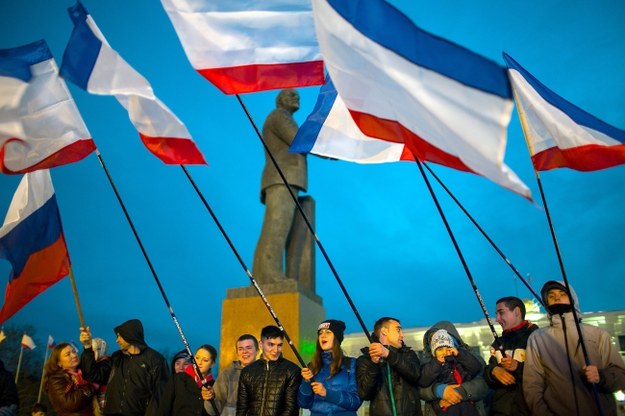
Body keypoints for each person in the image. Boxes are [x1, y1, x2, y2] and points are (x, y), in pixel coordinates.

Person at [523, 280, 625, 416]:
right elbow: (532, 385)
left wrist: (601, 377)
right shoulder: (537, 338)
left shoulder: (597, 334)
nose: (557, 298)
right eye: (551, 296)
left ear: (573, 298)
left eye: (562, 294)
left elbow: (621, 376)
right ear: (546, 302)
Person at [252, 88, 307, 284]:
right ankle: (268, 275)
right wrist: (328, 147)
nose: (296, 97)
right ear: (279, 101)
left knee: (278, 227)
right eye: (290, 94)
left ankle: (265, 274)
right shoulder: (279, 116)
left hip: (285, 178)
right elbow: (299, 140)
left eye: (297, 95)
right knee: (277, 227)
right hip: (281, 177)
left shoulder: (285, 117)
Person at [79, 319, 169, 416]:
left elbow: (160, 395)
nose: (117, 340)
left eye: (119, 336)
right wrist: (88, 347)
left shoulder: (155, 359)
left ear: (130, 335)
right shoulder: (116, 357)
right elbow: (92, 375)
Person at [420, 321, 489, 416]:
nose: (444, 352)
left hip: (469, 407)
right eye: (439, 348)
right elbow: (420, 384)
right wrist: (438, 390)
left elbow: (482, 381)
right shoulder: (429, 364)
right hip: (443, 410)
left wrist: (460, 392)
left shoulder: (469, 358)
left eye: (446, 347)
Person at [483, 296, 538, 416]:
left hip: (530, 409)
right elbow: (487, 372)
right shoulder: (498, 343)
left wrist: (517, 367)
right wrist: (493, 371)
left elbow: (546, 372)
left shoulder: (537, 338)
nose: (497, 319)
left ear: (517, 312)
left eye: (501, 313)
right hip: (500, 410)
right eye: (496, 314)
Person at [356, 317, 422, 415]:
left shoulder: (408, 354)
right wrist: (374, 364)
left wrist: (388, 354)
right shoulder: (365, 359)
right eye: (398, 330)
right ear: (384, 332)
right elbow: (364, 393)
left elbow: (415, 375)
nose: (402, 335)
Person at [298, 319, 361, 415]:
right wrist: (306, 382)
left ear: (337, 337)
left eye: (328, 332)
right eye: (320, 333)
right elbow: (303, 403)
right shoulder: (311, 366)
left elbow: (356, 402)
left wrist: (327, 393)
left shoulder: (351, 364)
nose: (323, 335)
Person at [236, 325, 301, 415]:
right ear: (260, 345)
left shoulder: (292, 370)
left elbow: (291, 408)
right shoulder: (247, 371)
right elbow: (241, 408)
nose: (275, 350)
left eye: (279, 345)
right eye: (271, 344)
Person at [157, 344, 217, 416]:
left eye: (205, 360)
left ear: (212, 364)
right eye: (197, 358)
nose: (199, 362)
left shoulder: (213, 385)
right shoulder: (177, 379)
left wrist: (212, 399)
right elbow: (164, 408)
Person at [43, 343, 98, 416]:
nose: (74, 355)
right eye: (68, 354)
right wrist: (91, 387)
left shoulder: (82, 374)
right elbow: (70, 403)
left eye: (74, 351)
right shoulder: (55, 379)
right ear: (59, 363)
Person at [211, 334, 258, 416]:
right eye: (241, 349)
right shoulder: (226, 375)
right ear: (237, 353)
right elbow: (213, 410)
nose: (244, 352)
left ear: (257, 350)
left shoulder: (267, 374)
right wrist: (210, 398)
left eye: (249, 348)